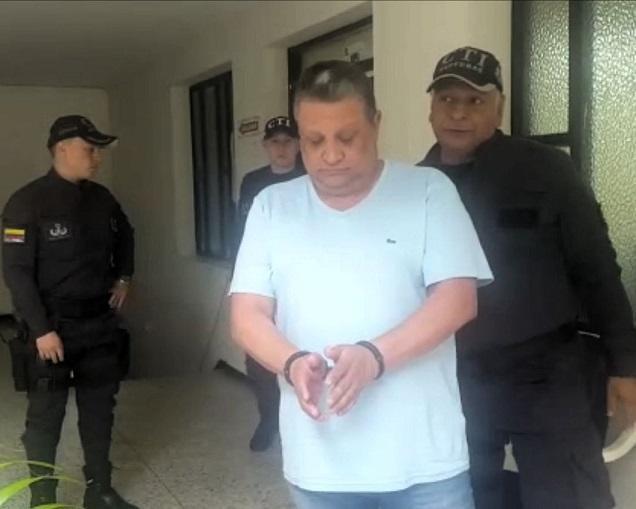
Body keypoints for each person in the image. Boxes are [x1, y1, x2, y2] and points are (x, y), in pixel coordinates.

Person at [230, 60, 492, 509]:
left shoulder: (428, 190)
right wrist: (291, 362)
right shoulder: (272, 206)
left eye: (347, 138)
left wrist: (374, 357)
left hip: (424, 462)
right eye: (314, 141)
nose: (331, 155)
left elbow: (457, 300)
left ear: (376, 123)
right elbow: (246, 315)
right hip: (320, 465)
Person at [418, 46, 636, 509]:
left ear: (498, 107)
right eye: (447, 99)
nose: (458, 113)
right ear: (431, 108)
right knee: (462, 498)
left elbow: (596, 268)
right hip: (455, 377)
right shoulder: (414, 187)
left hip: (546, 373)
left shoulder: (546, 169)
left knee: (571, 498)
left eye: (475, 101)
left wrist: (625, 363)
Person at [2, 115, 138, 509]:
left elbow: (127, 235)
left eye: (98, 150)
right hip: (52, 328)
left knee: (99, 411)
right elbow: (16, 272)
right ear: (61, 148)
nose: (97, 157)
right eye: (89, 149)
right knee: (46, 416)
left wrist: (124, 277)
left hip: (98, 325)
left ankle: (100, 489)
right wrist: (41, 329)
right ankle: (43, 496)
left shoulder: (102, 198)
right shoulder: (28, 202)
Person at [236, 115, 304, 452]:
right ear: (265, 145)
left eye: (288, 141)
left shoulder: (310, 178)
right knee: (259, 354)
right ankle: (269, 418)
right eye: (275, 142)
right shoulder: (253, 182)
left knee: (301, 346)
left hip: (301, 279)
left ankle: (303, 422)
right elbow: (242, 231)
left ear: (298, 144)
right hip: (262, 278)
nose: (281, 148)